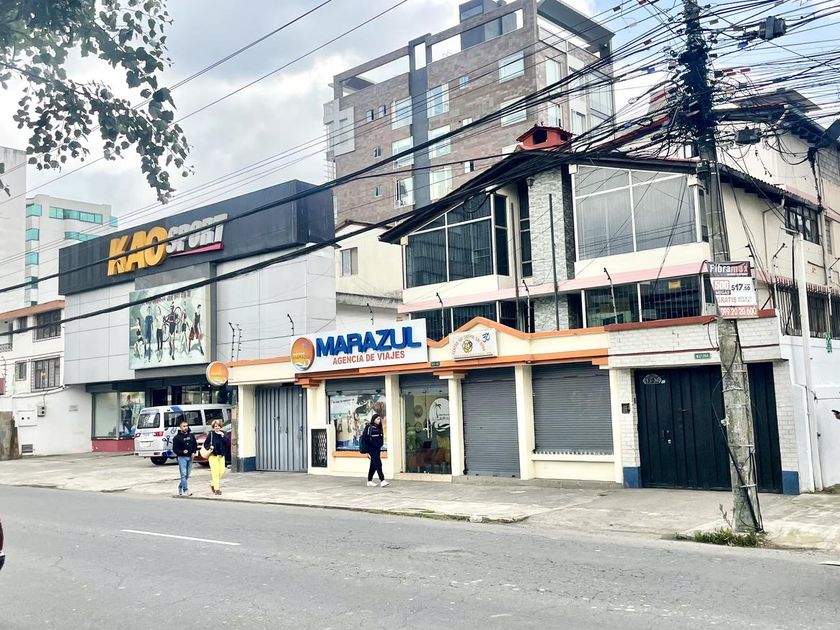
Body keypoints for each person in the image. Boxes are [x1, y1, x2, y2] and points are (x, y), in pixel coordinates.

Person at [365, 403, 389, 488]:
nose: (379, 420)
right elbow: (366, 439)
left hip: (377, 449)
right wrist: (367, 451)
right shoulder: (369, 427)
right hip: (372, 449)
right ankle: (382, 480)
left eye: (379, 419)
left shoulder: (379, 428)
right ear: (374, 419)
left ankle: (369, 481)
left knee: (373, 465)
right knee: (378, 464)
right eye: (377, 419)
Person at [172, 420, 197, 497]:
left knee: (187, 475)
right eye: (184, 426)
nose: (186, 427)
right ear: (180, 427)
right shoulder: (177, 438)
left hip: (190, 457)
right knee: (183, 474)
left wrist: (194, 452)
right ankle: (185, 490)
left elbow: (195, 445)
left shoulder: (191, 435)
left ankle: (180, 486)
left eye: (187, 426)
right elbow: (175, 449)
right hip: (182, 458)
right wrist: (182, 452)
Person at [204, 419, 228, 495]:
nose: (217, 427)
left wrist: (222, 436)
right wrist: (209, 447)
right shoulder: (211, 434)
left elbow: (227, 443)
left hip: (221, 455)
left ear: (220, 426)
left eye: (218, 426)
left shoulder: (224, 433)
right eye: (215, 426)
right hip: (213, 455)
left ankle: (212, 484)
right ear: (213, 427)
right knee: (215, 473)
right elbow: (206, 444)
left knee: (222, 471)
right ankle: (217, 489)